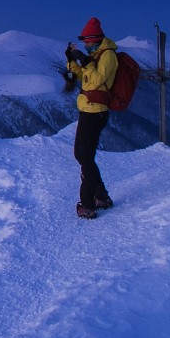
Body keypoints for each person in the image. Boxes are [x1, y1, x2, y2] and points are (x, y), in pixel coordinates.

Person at [63, 17, 117, 219]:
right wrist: (71, 61)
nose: (85, 45)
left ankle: (88, 203)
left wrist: (85, 61)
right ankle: (101, 196)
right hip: (88, 109)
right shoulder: (95, 55)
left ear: (95, 39)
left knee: (84, 156)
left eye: (87, 42)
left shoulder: (108, 56)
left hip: (96, 111)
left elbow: (95, 81)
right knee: (83, 155)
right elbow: (81, 76)